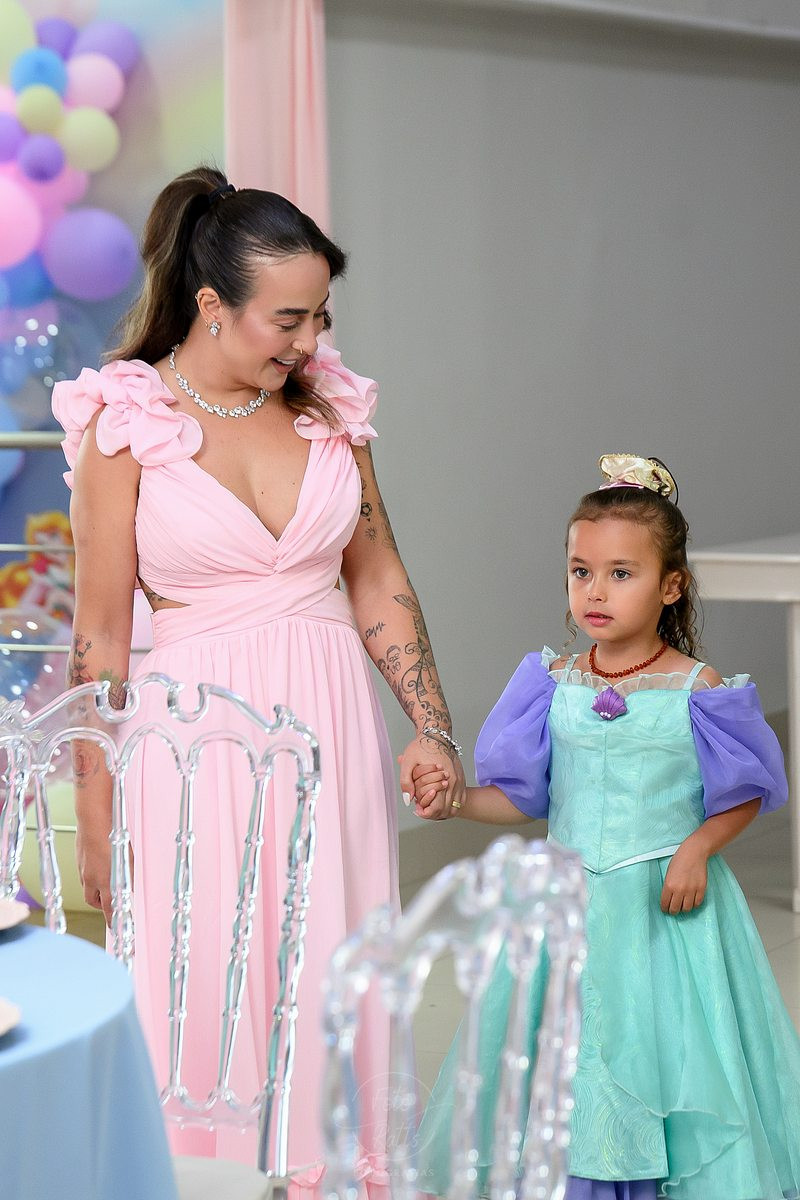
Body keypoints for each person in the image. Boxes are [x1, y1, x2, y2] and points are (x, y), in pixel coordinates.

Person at [51, 165, 465, 1191]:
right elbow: (99, 634)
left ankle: (332, 1170)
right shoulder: (126, 422)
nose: (308, 342)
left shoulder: (332, 414)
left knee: (336, 959)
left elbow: (379, 577)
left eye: (320, 316)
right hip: (193, 743)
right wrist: (95, 814)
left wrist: (430, 724)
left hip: (330, 730)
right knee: (202, 974)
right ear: (211, 304)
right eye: (288, 319)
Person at [410, 454, 800, 1200]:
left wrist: (698, 847)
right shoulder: (552, 683)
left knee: (659, 1048)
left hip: (663, 912)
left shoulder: (697, 687)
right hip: (566, 906)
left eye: (622, 573)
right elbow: (524, 799)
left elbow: (745, 792)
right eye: (580, 571)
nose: (595, 590)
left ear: (670, 586)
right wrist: (457, 802)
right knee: (564, 1051)